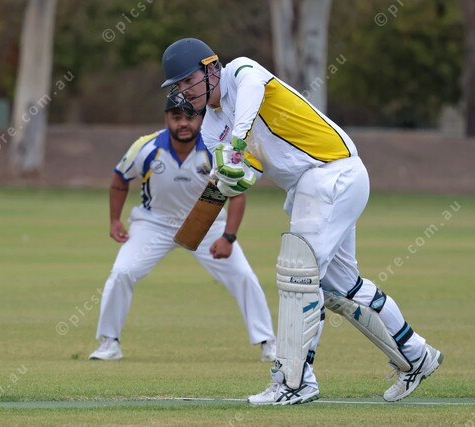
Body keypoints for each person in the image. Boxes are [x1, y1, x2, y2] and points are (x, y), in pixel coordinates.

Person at [160, 38, 442, 405]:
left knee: (299, 275)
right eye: (178, 85)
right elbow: (245, 173)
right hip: (309, 188)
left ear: (211, 67)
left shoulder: (242, 71)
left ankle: (294, 381)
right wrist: (231, 177)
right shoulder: (212, 128)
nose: (185, 91)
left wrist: (237, 144)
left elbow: (250, 100)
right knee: (342, 287)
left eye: (188, 80)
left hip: (332, 170)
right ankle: (417, 355)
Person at [89, 98, 276, 362]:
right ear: (166, 119)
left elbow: (237, 194)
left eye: (190, 117)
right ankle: (109, 343)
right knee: (122, 272)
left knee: (243, 275)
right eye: (176, 117)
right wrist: (115, 220)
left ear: (200, 118)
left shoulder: (216, 149)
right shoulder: (146, 146)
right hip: (153, 223)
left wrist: (228, 237)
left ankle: (268, 342)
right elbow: (120, 178)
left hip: (207, 223)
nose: (184, 123)